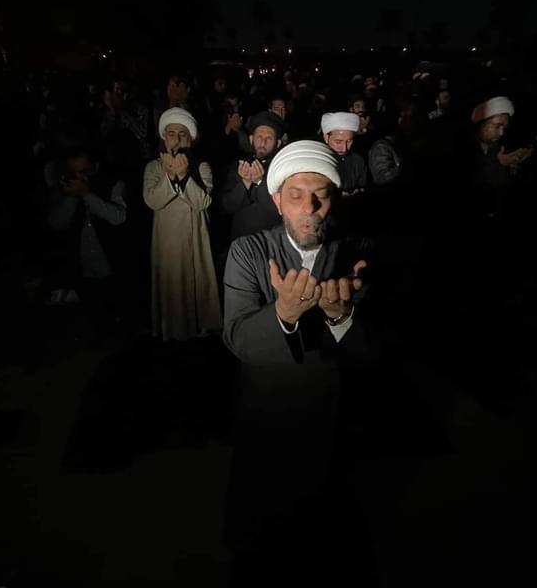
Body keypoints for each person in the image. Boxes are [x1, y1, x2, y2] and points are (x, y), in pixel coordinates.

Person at [221, 140, 375, 584]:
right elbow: (237, 338)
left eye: (320, 195)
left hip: (328, 403)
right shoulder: (248, 252)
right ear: (276, 200)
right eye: (296, 195)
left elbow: (371, 353)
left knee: (321, 508)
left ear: (335, 199)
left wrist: (341, 316)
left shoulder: (356, 253)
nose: (309, 208)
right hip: (266, 402)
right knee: (261, 510)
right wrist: (283, 313)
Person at [143, 107, 222, 341]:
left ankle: (202, 329)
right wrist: (169, 176)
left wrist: (185, 175)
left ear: (191, 139)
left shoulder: (202, 167)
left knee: (197, 283)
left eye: (182, 134)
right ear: (163, 137)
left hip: (196, 239)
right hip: (167, 242)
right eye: (171, 133)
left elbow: (203, 202)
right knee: (172, 286)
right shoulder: (153, 167)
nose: (176, 139)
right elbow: (152, 200)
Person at [46, 147, 127, 313]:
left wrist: (86, 194)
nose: (79, 177)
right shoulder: (65, 185)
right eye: (73, 172)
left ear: (95, 167)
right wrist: (71, 197)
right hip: (83, 273)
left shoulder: (113, 182)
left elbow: (118, 217)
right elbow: (55, 223)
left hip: (113, 270)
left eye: (84, 171)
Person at [219, 111, 286, 240]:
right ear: (251, 139)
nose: (263, 142)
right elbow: (227, 206)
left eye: (269, 138)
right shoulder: (239, 166)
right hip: (241, 239)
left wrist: (260, 182)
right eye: (259, 137)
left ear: (277, 143)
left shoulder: (282, 169)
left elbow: (281, 209)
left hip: (271, 240)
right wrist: (245, 183)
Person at [320, 111, 368, 196]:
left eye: (349, 141)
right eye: (338, 141)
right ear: (326, 138)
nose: (344, 148)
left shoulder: (358, 161)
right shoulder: (318, 161)